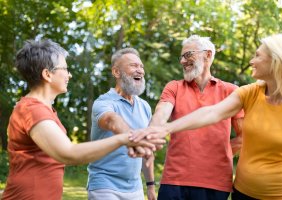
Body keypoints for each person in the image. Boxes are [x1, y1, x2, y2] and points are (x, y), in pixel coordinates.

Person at [133, 33, 282, 199]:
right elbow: (210, 112)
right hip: (238, 192)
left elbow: (240, 136)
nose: (251, 61)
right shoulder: (249, 92)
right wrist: (159, 130)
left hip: (273, 192)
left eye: (257, 56)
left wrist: (219, 153)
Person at [2, 40, 163, 200]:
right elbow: (68, 153)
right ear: (47, 74)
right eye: (65, 69)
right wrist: (125, 138)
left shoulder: (42, 110)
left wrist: (149, 184)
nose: (69, 74)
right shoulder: (32, 110)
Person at [136, 35, 244, 200]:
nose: (182, 61)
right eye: (181, 57)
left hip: (215, 182)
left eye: (188, 55)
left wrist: (224, 152)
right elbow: (161, 113)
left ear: (207, 55)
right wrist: (151, 133)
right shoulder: (175, 87)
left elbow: (244, 136)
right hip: (174, 181)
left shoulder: (231, 91)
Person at [86, 48, 156, 200]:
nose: (140, 70)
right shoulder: (104, 102)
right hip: (104, 185)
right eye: (133, 66)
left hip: (135, 188)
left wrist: (150, 186)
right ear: (116, 72)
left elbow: (147, 151)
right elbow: (112, 120)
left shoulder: (145, 107)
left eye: (141, 66)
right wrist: (134, 140)